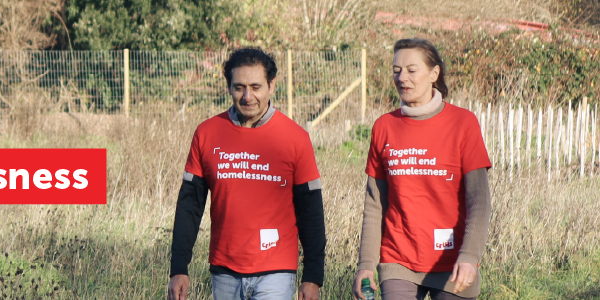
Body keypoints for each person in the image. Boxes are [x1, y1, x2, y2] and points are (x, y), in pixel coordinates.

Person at [169, 48, 326, 300]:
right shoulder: (206, 134)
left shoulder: (296, 138)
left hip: (277, 271)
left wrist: (313, 276)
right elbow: (190, 206)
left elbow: (311, 211)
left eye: (255, 87)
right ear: (228, 87)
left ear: (271, 85)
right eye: (239, 87)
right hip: (225, 271)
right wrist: (179, 268)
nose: (247, 96)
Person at [354, 38, 492, 300]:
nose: (402, 78)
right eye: (396, 71)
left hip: (452, 262)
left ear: (434, 73)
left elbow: (480, 201)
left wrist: (469, 256)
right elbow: (374, 204)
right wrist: (366, 265)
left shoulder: (463, 123)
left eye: (411, 70)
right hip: (398, 260)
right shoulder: (384, 126)